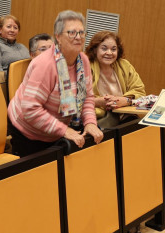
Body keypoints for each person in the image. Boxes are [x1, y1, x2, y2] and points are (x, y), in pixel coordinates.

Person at [7, 10, 102, 156]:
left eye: (82, 33)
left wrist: (90, 122)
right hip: (27, 130)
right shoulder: (45, 64)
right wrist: (64, 130)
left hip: (56, 129)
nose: (79, 38)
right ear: (58, 37)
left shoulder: (83, 60)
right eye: (72, 33)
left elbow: (87, 98)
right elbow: (30, 109)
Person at [85, 31, 146, 128]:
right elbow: (75, 101)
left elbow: (140, 92)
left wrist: (126, 100)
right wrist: (98, 102)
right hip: (96, 120)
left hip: (125, 117)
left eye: (113, 49)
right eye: (104, 48)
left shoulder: (125, 65)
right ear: (95, 50)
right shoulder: (84, 67)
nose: (109, 53)